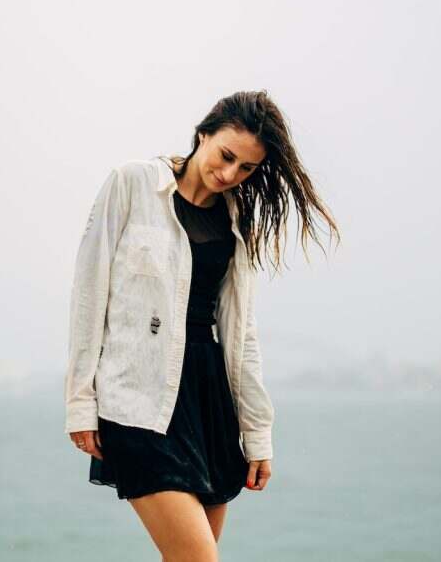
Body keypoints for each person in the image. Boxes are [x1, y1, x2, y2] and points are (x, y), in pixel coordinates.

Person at [64, 90, 340, 560]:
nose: (231, 174)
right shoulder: (132, 184)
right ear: (203, 134)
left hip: (209, 400)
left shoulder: (237, 219)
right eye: (226, 156)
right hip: (138, 400)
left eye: (247, 168)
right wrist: (80, 404)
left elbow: (241, 333)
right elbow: (89, 295)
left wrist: (257, 434)